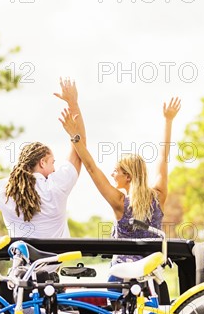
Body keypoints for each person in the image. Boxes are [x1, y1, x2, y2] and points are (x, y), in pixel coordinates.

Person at [59, 97, 181, 267]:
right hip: (151, 274)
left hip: (122, 274)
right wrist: (168, 120)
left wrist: (75, 137)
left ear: (128, 177)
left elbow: (91, 167)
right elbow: (163, 157)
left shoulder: (120, 203)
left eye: (116, 171)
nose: (112, 174)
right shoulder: (158, 196)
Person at [0, 78, 86, 238]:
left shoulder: (6, 192)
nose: (55, 168)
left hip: (22, 263)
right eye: (52, 162)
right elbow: (80, 149)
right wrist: (73, 104)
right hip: (56, 263)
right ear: (42, 162)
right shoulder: (57, 185)